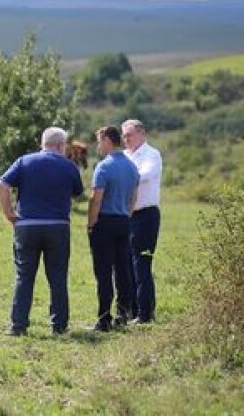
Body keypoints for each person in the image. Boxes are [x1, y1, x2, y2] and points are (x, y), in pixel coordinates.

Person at [0, 127, 84, 336]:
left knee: (24, 276)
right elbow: (77, 193)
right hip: (58, 227)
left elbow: (2, 185)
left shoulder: (24, 161)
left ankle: (18, 326)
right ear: (62, 145)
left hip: (27, 226)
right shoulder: (68, 166)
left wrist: (9, 213)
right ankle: (59, 326)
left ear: (42, 143)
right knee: (58, 277)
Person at [87, 125, 140, 331]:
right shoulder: (132, 167)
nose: (98, 146)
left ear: (108, 141)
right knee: (123, 269)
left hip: (105, 222)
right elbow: (134, 197)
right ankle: (123, 313)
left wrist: (91, 223)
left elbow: (96, 199)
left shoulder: (104, 166)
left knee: (103, 270)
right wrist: (127, 214)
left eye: (99, 141)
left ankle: (103, 317)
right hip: (124, 221)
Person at [122, 119, 162, 324]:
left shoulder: (151, 155)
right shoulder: (125, 155)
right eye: (124, 136)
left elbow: (145, 176)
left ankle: (146, 314)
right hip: (127, 215)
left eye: (129, 135)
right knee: (127, 263)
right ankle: (132, 311)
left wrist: (121, 176)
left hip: (145, 214)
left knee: (141, 264)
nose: (126, 139)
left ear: (141, 133)